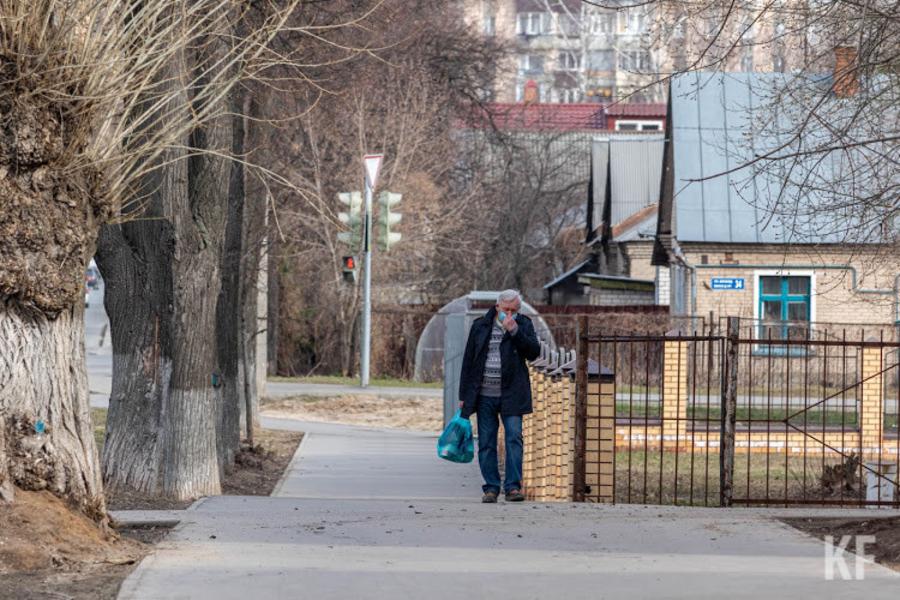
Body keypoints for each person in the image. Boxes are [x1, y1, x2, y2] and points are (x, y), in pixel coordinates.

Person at [458, 289, 541, 503]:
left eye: (514, 310)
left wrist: (515, 331)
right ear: (498, 307)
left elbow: (533, 352)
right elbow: (468, 361)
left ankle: (513, 487)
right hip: (484, 394)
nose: (510, 314)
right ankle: (491, 488)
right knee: (486, 442)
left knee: (514, 437)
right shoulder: (480, 325)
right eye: (506, 310)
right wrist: (464, 394)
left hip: (512, 392)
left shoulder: (524, 324)